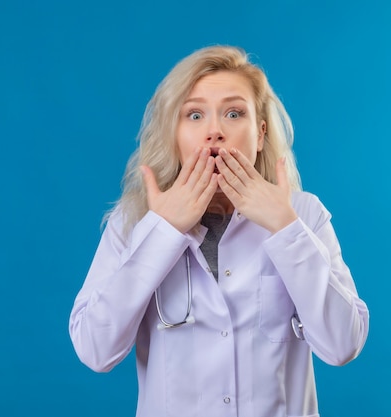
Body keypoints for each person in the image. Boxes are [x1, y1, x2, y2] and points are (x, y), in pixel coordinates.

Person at [69, 45, 369, 417]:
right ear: (174, 135)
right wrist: (161, 232)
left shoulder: (302, 214)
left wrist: (285, 228)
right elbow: (95, 350)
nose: (214, 131)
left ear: (259, 134)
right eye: (194, 115)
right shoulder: (133, 222)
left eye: (233, 113)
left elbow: (343, 345)